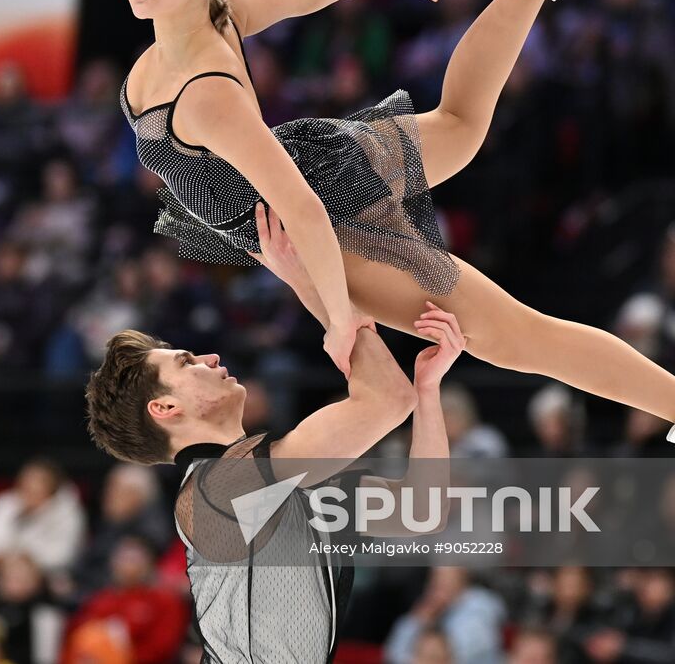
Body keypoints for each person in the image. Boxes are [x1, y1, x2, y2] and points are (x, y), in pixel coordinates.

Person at [112, 0, 675, 541]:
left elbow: (298, 205)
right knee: (463, 124)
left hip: (313, 212)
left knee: (510, 334)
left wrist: (338, 310)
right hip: (308, 177)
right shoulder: (212, 16)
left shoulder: (203, 91)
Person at [85, 203, 464, 663]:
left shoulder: (271, 481)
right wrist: (307, 279)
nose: (208, 359)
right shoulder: (220, 488)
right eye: (186, 363)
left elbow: (419, 511)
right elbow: (385, 401)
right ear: (165, 407)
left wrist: (427, 391)